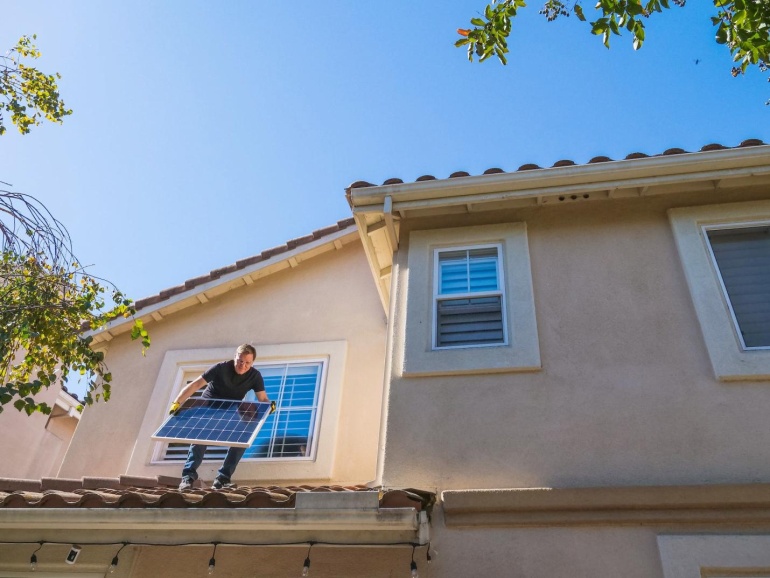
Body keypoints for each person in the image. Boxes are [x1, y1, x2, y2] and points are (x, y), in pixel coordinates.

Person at [170, 344, 269, 491]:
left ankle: (223, 479)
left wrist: (269, 406)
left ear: (252, 363)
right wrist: (176, 403)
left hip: (230, 410)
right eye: (240, 361)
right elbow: (195, 385)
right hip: (209, 407)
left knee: (242, 439)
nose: (243, 365)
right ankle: (188, 477)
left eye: (247, 363)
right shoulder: (220, 368)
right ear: (235, 357)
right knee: (200, 440)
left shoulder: (255, 376)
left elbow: (263, 398)